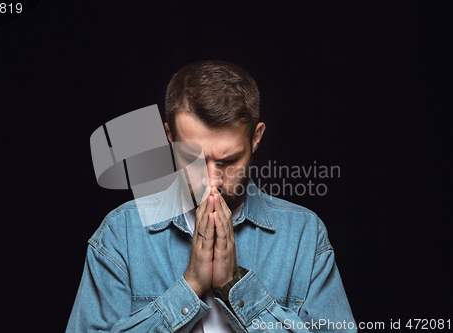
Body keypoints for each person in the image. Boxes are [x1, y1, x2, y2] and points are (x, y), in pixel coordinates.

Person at [66, 60, 356, 332]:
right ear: (170, 136)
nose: (212, 181)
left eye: (228, 161)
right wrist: (189, 286)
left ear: (256, 138)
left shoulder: (304, 236)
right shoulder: (121, 234)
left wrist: (235, 286)